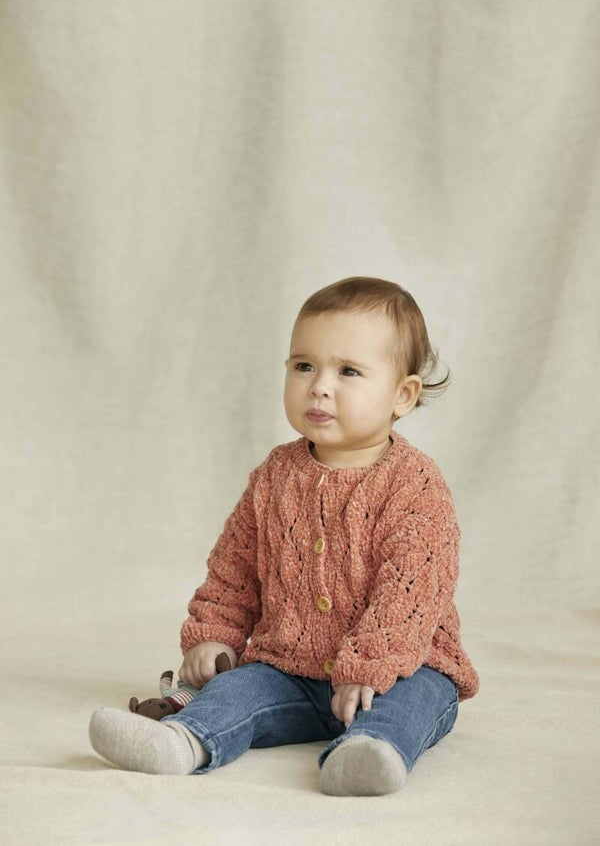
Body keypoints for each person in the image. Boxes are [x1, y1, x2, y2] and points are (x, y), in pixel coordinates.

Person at [90, 276, 479, 796]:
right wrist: (214, 634)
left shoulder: (415, 484)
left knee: (417, 701)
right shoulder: (275, 475)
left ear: (402, 395)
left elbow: (413, 588)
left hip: (399, 668)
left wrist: (369, 665)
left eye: (348, 371)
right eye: (303, 366)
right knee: (238, 689)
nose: (319, 386)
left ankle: (369, 751)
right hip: (289, 668)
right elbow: (234, 567)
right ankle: (183, 740)